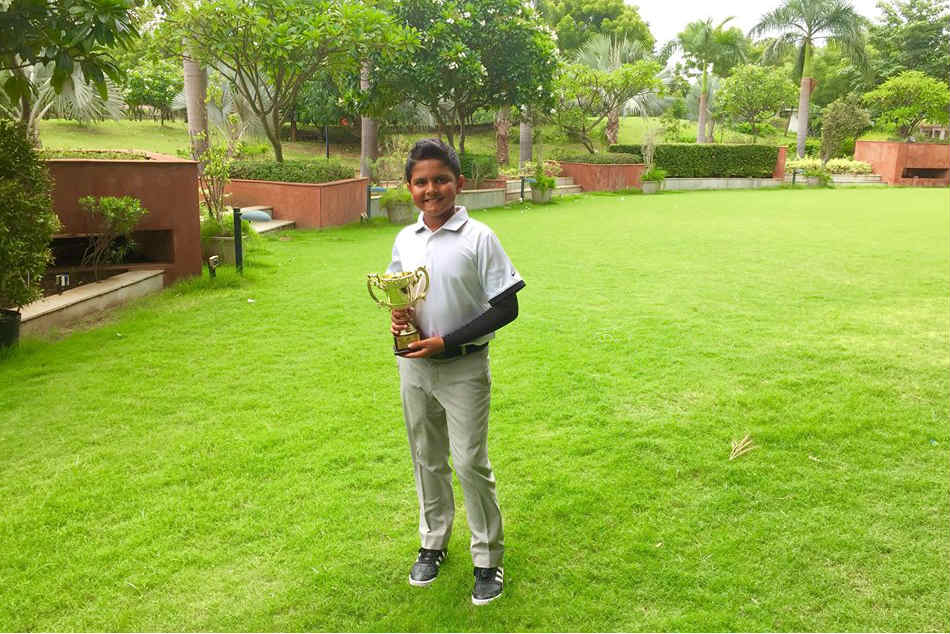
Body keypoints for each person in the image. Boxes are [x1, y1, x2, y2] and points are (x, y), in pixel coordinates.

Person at [385, 138, 524, 606]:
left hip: (463, 367)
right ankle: (433, 542)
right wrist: (398, 318)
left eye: (440, 179)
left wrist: (449, 340)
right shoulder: (406, 239)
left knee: (468, 462)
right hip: (414, 368)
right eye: (421, 181)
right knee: (426, 456)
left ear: (459, 183)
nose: (431, 189)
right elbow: (400, 296)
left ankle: (488, 557)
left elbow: (507, 307)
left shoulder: (478, 237)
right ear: (409, 187)